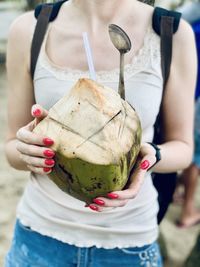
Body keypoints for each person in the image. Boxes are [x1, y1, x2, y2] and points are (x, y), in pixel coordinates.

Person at [4, 0, 197, 266]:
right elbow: (11, 148)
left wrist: (149, 157)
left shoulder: (172, 33)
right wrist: (28, 150)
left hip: (129, 242)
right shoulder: (28, 29)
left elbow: (184, 147)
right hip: (39, 238)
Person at [173, 1, 200, 229]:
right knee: (196, 157)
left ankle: (178, 192)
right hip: (195, 95)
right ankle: (188, 210)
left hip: (189, 91)